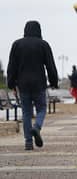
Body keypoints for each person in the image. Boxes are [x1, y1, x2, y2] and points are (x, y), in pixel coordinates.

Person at [7, 20, 58, 150]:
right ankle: (37, 127)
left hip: (23, 84)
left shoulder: (17, 44)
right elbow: (50, 66)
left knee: (26, 112)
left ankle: (28, 142)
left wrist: (11, 83)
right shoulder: (43, 45)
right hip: (39, 83)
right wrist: (53, 82)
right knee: (41, 108)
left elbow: (12, 66)